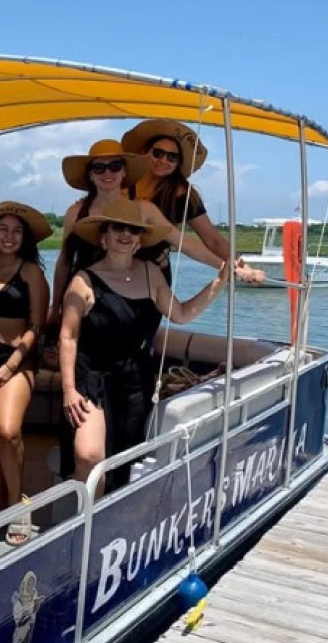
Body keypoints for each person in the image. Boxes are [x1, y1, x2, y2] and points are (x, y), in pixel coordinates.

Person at [60, 200, 228, 494]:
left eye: (134, 230)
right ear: (104, 236)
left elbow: (182, 314)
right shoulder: (83, 280)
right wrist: (68, 390)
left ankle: (111, 524)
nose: (126, 234)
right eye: (119, 228)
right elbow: (68, 337)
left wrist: (218, 283)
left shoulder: (151, 273)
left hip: (135, 380)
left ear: (139, 240)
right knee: (89, 456)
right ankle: (83, 526)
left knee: (125, 463)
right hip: (92, 379)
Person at [48, 141, 237, 325]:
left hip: (132, 298)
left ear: (124, 172)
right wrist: (55, 306)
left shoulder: (144, 209)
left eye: (115, 166)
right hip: (84, 295)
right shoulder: (75, 213)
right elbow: (64, 260)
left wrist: (226, 267)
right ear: (90, 174)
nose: (108, 173)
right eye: (99, 168)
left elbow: (184, 243)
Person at [0, 202, 50, 514]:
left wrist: (12, 363)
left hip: (17, 360)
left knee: (7, 430)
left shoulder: (31, 272)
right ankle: (0, 503)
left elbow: (37, 326)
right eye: (3, 228)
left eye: (17, 231)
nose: (10, 236)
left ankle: (18, 504)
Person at [122, 118, 265, 285]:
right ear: (146, 152)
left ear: (178, 163)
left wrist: (244, 267)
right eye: (158, 153)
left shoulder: (182, 195)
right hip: (110, 266)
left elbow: (212, 239)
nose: (163, 161)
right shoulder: (121, 181)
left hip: (152, 273)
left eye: (172, 157)